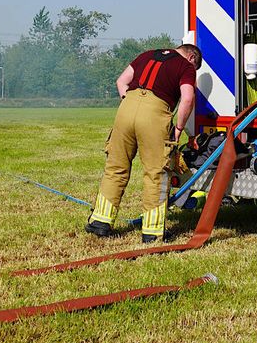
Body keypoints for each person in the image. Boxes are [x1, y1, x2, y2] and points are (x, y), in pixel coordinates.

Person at [86, 43, 201, 243]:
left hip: (126, 109)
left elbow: (121, 81)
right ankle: (153, 232)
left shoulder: (146, 55)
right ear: (192, 57)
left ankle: (100, 222)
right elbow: (188, 98)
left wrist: (129, 103)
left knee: (115, 167)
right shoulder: (186, 66)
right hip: (155, 114)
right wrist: (179, 128)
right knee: (156, 172)